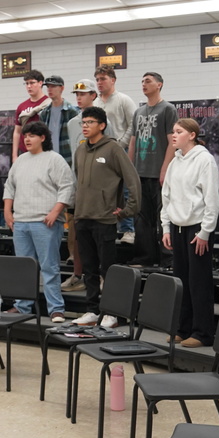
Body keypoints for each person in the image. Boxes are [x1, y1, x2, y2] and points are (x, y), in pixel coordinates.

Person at [71, 106, 141, 328]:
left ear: (102, 125)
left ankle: (112, 313)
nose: (85, 126)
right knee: (89, 269)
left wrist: (128, 211)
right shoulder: (80, 150)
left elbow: (133, 180)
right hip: (83, 218)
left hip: (105, 219)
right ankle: (92, 311)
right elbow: (78, 181)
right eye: (83, 122)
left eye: (90, 122)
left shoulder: (113, 149)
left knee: (107, 270)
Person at [3, 121, 76, 323]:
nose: (27, 139)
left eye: (32, 135)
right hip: (21, 222)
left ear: (43, 138)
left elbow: (67, 187)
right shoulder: (20, 161)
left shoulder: (55, 159)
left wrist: (55, 212)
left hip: (46, 222)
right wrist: (8, 212)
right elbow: (9, 187)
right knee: (23, 267)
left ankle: (56, 309)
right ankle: (22, 305)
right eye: (25, 135)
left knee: (49, 267)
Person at [161, 118, 219, 348]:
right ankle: (182, 328)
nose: (174, 135)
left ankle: (203, 332)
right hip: (177, 227)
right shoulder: (176, 161)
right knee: (181, 280)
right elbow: (167, 197)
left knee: (199, 282)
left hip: (197, 228)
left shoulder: (204, 159)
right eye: (173, 131)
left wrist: (205, 231)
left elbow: (212, 199)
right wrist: (166, 226)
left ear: (192, 135)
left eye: (179, 131)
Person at [128, 72, 177, 268]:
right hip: (140, 173)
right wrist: (129, 170)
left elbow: (171, 142)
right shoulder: (138, 112)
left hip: (159, 173)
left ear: (160, 85)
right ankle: (145, 257)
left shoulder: (168, 109)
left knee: (162, 217)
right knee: (142, 219)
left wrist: (165, 169)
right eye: (141, 81)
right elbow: (133, 142)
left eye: (148, 81)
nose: (143, 84)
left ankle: (167, 258)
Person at [60, 78, 98, 293]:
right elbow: (71, 156)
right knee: (75, 235)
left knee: (96, 236)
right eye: (76, 94)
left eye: (83, 94)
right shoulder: (73, 123)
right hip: (77, 187)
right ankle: (77, 275)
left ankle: (98, 276)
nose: (79, 97)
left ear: (93, 96)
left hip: (96, 190)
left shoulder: (104, 121)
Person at [94, 64, 137, 242]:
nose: (99, 82)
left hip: (120, 149)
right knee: (105, 191)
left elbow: (133, 125)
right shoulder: (95, 103)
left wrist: (122, 145)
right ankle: (109, 227)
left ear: (113, 80)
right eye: (97, 80)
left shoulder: (123, 100)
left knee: (125, 191)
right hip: (101, 152)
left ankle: (128, 230)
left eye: (103, 79)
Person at [37, 75, 80, 165]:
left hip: (67, 158)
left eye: (53, 86)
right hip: (49, 159)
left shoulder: (72, 112)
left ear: (62, 88)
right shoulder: (44, 114)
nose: (49, 89)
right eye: (48, 86)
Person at [13, 69, 48, 159]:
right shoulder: (21, 106)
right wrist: (14, 155)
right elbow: (17, 132)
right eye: (26, 83)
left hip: (43, 150)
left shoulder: (49, 103)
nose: (29, 86)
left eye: (32, 83)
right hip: (24, 152)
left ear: (40, 83)